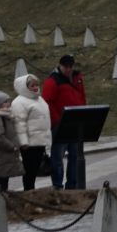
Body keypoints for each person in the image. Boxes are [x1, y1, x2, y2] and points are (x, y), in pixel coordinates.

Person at [41, 54, 88, 190]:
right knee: (58, 157)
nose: (68, 69)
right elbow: (47, 102)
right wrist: (57, 120)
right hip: (60, 124)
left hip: (76, 122)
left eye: (70, 67)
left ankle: (72, 184)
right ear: (60, 66)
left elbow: (82, 96)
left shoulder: (77, 78)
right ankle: (57, 185)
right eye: (65, 67)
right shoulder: (52, 81)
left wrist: (84, 112)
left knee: (75, 155)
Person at [10, 73, 52, 191]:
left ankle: (31, 191)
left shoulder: (39, 99)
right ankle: (28, 191)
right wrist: (23, 142)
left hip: (40, 141)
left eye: (36, 85)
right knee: (30, 171)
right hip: (29, 144)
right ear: (24, 87)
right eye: (31, 86)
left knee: (35, 170)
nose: (35, 87)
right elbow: (19, 124)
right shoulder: (19, 102)